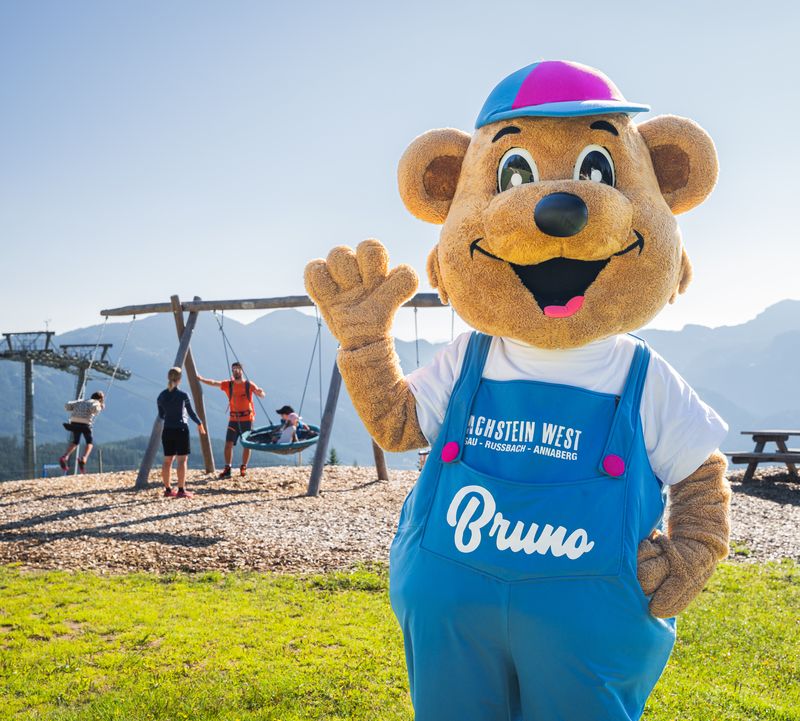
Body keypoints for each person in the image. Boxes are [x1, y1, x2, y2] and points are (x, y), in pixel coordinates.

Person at [196, 361, 265, 478]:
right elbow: (214, 383)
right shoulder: (229, 384)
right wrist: (201, 379)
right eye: (234, 369)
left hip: (247, 419)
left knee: (247, 445)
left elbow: (261, 394)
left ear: (242, 371)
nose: (236, 371)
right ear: (232, 371)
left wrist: (261, 392)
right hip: (233, 419)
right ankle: (227, 468)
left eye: (238, 369)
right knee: (228, 444)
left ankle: (243, 466)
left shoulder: (249, 384)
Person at [157, 367, 206, 498]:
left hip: (167, 429)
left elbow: (161, 415)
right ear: (179, 379)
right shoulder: (183, 395)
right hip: (181, 429)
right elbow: (191, 413)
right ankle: (181, 490)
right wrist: (199, 423)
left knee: (167, 460)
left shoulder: (161, 396)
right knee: (182, 460)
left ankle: (167, 490)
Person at [59, 391, 105, 473]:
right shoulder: (96, 402)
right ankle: (84, 458)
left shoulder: (81, 401)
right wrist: (100, 407)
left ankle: (65, 456)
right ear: (100, 399)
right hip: (85, 424)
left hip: (74, 422)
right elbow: (95, 410)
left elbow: (67, 406)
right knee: (89, 442)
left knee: (76, 442)